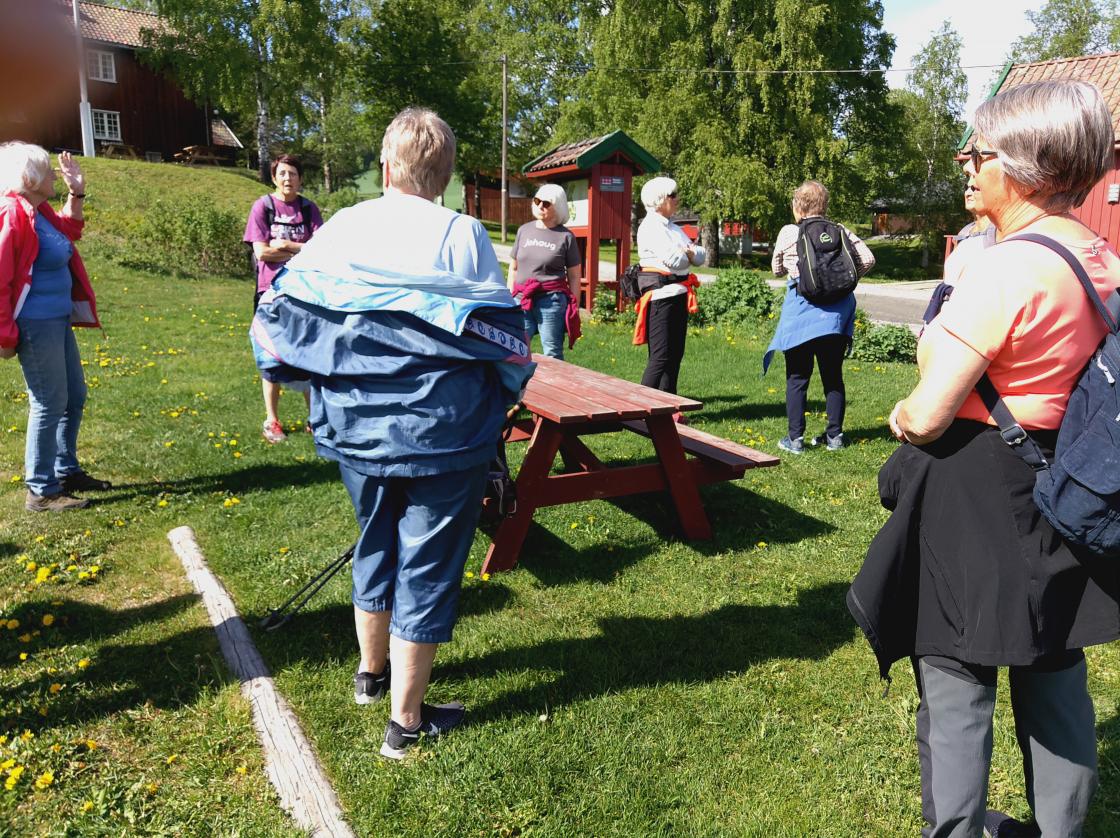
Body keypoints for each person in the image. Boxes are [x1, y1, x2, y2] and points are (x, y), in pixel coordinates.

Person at [849, 80, 1120, 837]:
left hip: (977, 486)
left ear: (1028, 168)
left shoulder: (1004, 270)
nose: (967, 166)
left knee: (956, 675)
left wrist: (902, 414)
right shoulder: (1099, 255)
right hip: (1067, 479)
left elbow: (930, 410)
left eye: (981, 153)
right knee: (1054, 664)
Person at [251, 108, 533, 760]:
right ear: (446, 175)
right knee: (427, 564)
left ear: (385, 167)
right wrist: (504, 398)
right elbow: (503, 340)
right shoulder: (463, 233)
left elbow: (279, 323)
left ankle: (370, 675)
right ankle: (405, 723)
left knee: (374, 539)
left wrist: (317, 381)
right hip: (446, 432)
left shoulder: (344, 226)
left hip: (356, 430)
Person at [0, 143, 111, 512]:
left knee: (73, 396)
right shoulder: (12, 213)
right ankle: (41, 490)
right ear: (29, 178)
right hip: (35, 323)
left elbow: (71, 230)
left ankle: (66, 471)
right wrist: (4, 334)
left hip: (57, 319)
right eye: (47, 170)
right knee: (49, 402)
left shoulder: (40, 211)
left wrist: (76, 192)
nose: (53, 175)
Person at [765, 180, 874, 454]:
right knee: (833, 377)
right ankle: (835, 437)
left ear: (797, 207)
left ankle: (795, 439)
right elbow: (868, 259)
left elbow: (776, 269)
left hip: (800, 316)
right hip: (835, 319)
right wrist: (841, 281)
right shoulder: (839, 230)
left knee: (797, 378)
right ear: (824, 206)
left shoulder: (789, 232)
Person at [243, 153, 323, 444]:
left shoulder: (308, 209)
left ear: (301, 178)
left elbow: (321, 250)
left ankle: (315, 419)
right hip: (271, 293)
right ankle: (272, 420)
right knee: (271, 354)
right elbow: (262, 252)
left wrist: (286, 244)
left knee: (308, 353)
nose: (288, 178)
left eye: (293, 173)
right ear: (274, 178)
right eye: (282, 173)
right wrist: (301, 250)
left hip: (305, 290)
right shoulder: (262, 207)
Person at [635, 176, 705, 396]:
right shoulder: (650, 226)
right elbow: (675, 260)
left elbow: (700, 256)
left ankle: (669, 405)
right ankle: (641, 405)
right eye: (672, 195)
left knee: (675, 354)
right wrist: (688, 252)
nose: (677, 199)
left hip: (679, 295)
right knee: (660, 356)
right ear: (659, 199)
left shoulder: (673, 228)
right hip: (661, 298)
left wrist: (687, 252)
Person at [508, 183, 582, 359]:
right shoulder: (523, 230)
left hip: (551, 301)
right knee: (516, 349)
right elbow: (513, 267)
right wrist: (509, 297)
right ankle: (520, 378)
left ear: (558, 206)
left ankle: (554, 379)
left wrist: (574, 306)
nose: (540, 206)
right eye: (537, 201)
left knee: (552, 352)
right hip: (521, 299)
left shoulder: (566, 237)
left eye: (547, 203)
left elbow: (574, 276)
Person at [922, 181, 995, 324]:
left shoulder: (998, 234)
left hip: (974, 314)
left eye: (975, 188)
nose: (968, 193)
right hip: (948, 308)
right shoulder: (965, 231)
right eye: (966, 188)